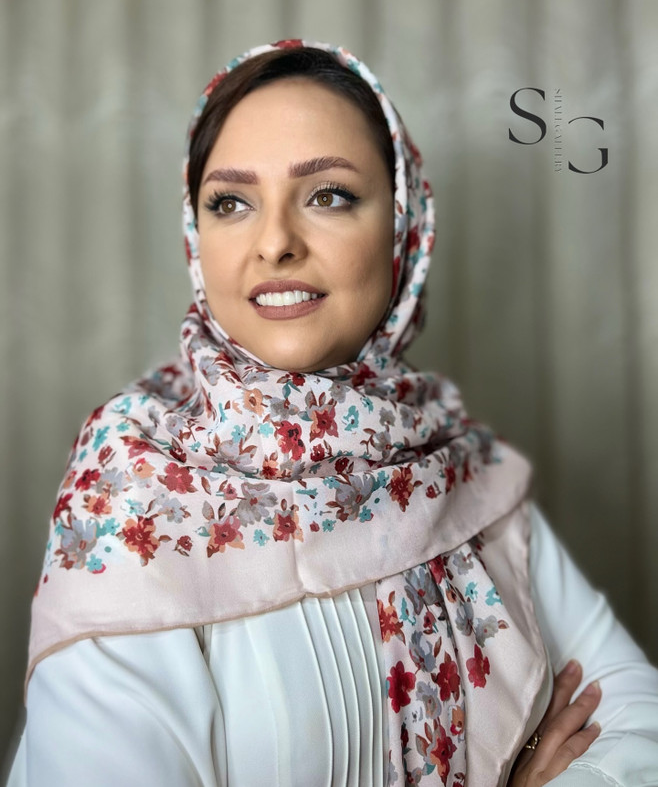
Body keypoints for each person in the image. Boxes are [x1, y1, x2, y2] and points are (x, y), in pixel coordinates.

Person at [5, 40, 658, 787]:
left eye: (329, 196)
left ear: (402, 229)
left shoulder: (458, 462)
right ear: (195, 235)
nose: (275, 243)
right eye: (231, 202)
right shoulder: (133, 486)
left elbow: (636, 717)